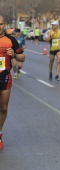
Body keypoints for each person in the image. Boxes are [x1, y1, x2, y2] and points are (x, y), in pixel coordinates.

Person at [0, 15, 25, 149]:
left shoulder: (10, 40)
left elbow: (23, 57)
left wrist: (14, 55)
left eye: (1, 24)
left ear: (4, 25)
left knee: (3, 107)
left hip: (4, 76)